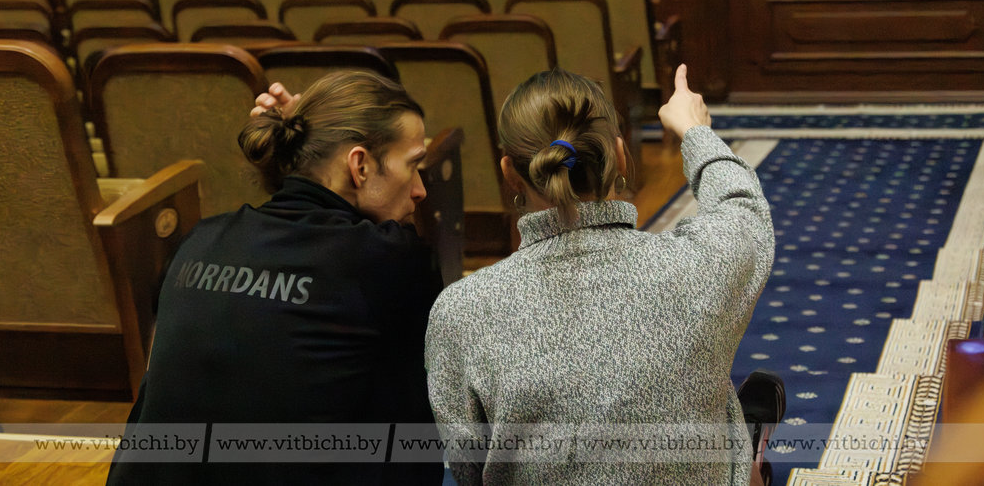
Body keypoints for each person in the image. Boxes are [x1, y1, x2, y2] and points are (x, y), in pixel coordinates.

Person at [423, 65, 777, 485]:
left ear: (510, 174)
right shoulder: (699, 265)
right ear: (620, 156)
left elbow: (470, 469)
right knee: (727, 431)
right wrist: (695, 131)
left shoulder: (459, 313)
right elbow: (743, 209)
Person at [107, 70, 443, 485]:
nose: (419, 189)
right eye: (412, 166)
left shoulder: (202, 239)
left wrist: (304, 148)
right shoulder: (389, 259)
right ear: (359, 165)